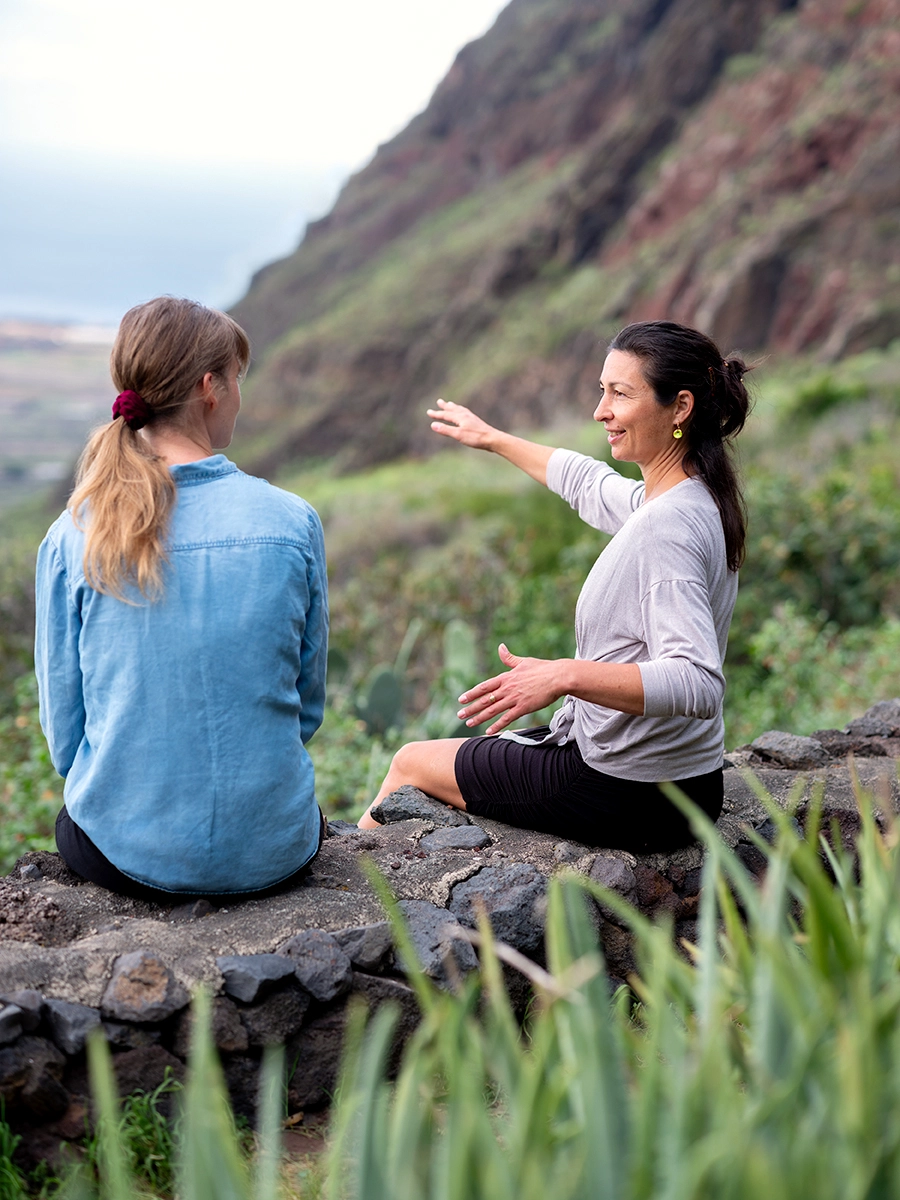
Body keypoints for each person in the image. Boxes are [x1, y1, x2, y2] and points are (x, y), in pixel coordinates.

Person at [359, 320, 750, 852]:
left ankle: (366, 907)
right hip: (688, 784)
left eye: (620, 393)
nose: (601, 411)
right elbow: (589, 484)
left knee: (409, 763)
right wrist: (492, 438)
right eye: (601, 390)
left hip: (628, 790)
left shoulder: (666, 527)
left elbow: (698, 681)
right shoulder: (694, 497)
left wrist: (564, 675)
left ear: (680, 407)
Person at [35, 297, 328, 901]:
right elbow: (306, 709)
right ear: (209, 388)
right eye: (237, 380)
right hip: (276, 849)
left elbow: (66, 737)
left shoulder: (73, 534)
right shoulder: (293, 522)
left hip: (123, 854)